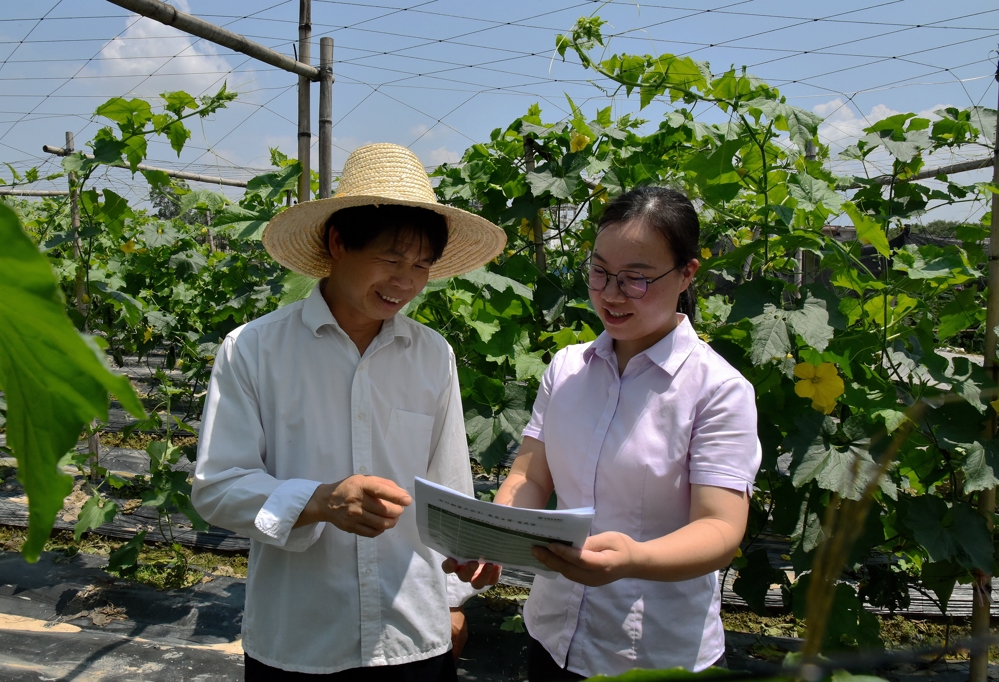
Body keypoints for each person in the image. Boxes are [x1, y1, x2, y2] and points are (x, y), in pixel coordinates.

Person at [192, 143, 506, 680]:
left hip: (412, 636)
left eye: (422, 266)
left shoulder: (433, 354)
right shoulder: (252, 349)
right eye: (390, 259)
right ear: (338, 243)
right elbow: (217, 488)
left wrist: (455, 598)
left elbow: (449, 485)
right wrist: (318, 501)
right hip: (299, 637)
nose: (406, 282)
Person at [445, 186, 761, 680]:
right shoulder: (567, 368)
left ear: (687, 274)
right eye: (599, 272)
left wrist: (634, 558)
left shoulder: (717, 390)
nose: (611, 294)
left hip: (654, 654)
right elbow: (531, 476)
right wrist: (494, 538)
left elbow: (720, 530)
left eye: (636, 278)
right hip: (552, 636)